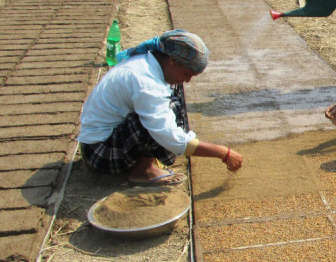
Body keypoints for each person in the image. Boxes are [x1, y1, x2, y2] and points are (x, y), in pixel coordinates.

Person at [78, 29, 243, 185]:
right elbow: (171, 138)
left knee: (173, 91)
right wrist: (223, 153)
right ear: (172, 60)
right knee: (163, 114)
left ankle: (145, 160)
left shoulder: (151, 61)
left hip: (106, 138)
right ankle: (143, 171)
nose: (188, 80)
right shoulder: (146, 84)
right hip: (100, 153)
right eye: (187, 74)